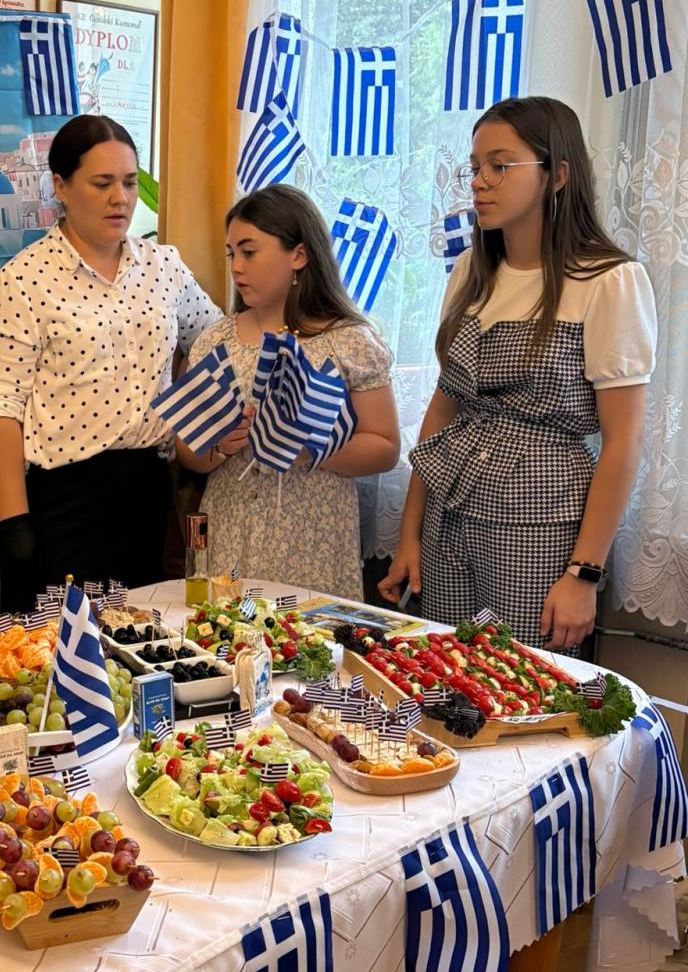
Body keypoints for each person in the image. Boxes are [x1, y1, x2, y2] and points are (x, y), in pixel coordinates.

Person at [379, 96, 655, 648]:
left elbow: (624, 440)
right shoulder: (471, 272)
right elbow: (442, 411)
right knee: (449, 674)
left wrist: (584, 573)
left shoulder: (607, 281)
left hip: (538, 524)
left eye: (500, 166)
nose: (479, 182)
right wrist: (410, 534)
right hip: (450, 516)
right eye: (475, 167)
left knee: (526, 681)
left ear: (558, 175)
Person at [0, 114, 221, 614]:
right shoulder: (22, 281)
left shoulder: (163, 266)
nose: (120, 199)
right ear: (61, 187)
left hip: (150, 494)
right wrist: (13, 526)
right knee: (63, 653)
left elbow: (217, 342)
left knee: (150, 642)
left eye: (128, 183)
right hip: (64, 503)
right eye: (102, 183)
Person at [177, 184, 400, 597]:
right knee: (228, 632)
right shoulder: (215, 341)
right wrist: (222, 446)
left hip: (313, 536)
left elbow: (385, 447)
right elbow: (187, 452)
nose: (237, 267)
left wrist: (306, 448)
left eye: (249, 252)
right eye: (231, 254)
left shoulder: (348, 341)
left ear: (299, 255)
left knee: (305, 635)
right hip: (231, 527)